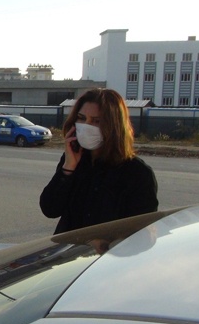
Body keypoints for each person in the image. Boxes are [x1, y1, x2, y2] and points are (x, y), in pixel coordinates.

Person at [39, 88, 159, 234]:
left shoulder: (137, 173)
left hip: (107, 255)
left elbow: (143, 234)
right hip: (69, 253)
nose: (87, 125)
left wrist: (106, 243)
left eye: (96, 121)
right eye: (82, 118)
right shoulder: (73, 161)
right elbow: (50, 209)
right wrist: (68, 168)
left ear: (114, 126)